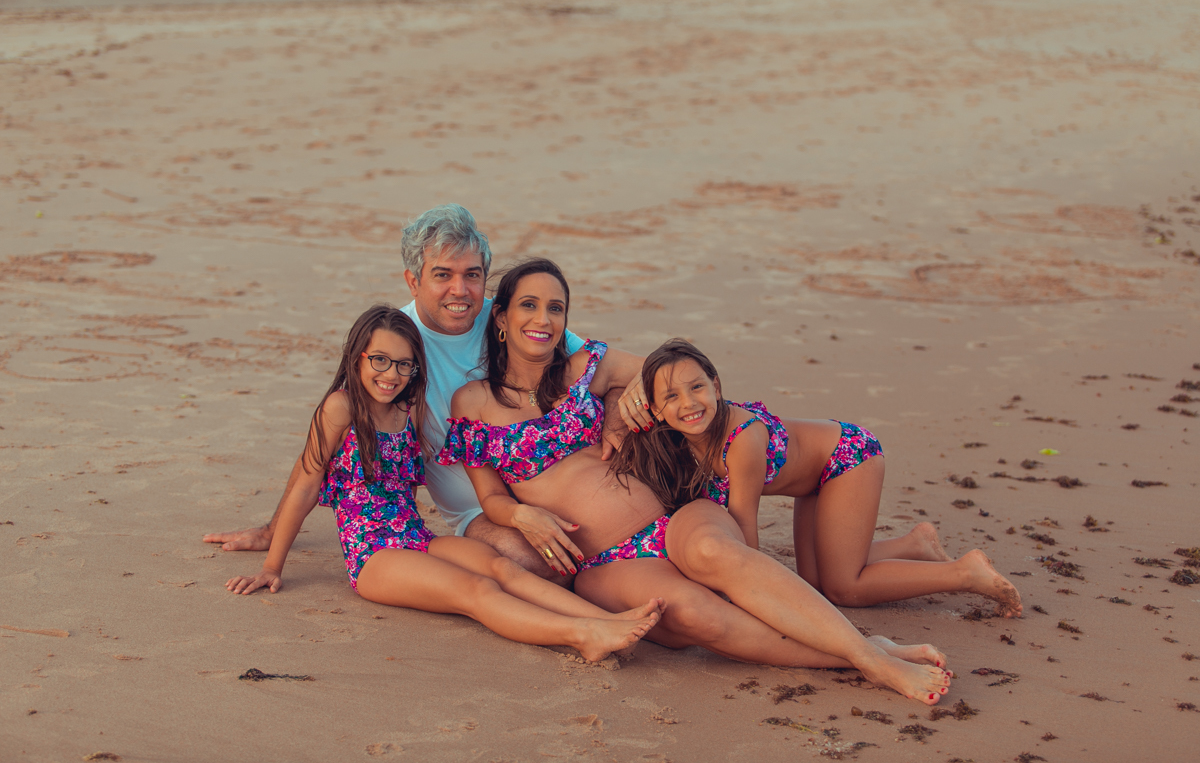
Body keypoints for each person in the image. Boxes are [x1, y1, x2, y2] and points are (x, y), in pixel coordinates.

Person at [439, 259, 954, 704]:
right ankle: (860, 656)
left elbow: (661, 372)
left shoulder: (585, 366)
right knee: (695, 617)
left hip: (672, 518)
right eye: (529, 306)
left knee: (716, 553)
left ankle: (865, 652)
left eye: (556, 308)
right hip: (607, 559)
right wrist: (521, 514)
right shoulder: (472, 404)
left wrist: (621, 406)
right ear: (502, 319)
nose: (544, 319)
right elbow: (490, 498)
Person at [204, 204, 635, 582]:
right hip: (479, 509)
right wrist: (273, 530)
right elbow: (321, 448)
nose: (460, 291)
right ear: (413, 281)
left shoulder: (514, 319)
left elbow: (605, 371)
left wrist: (616, 415)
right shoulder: (397, 344)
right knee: (533, 561)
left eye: (472, 275)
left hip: (553, 478)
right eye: (442, 275)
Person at [224, 304, 662, 662]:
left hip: (415, 535)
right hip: (374, 553)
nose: (390, 374)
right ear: (357, 355)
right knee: (476, 590)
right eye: (379, 360)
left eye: (403, 365)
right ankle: (582, 635)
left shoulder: (407, 408)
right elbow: (306, 482)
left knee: (499, 566)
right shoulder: (341, 408)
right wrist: (272, 566)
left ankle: (608, 621)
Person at [611, 338, 1022, 616]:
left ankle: (964, 573)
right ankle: (916, 545)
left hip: (846, 460)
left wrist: (744, 600)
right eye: (671, 397)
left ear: (716, 386)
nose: (689, 404)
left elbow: (744, 531)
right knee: (814, 580)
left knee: (844, 589)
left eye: (697, 387)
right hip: (811, 480)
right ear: (653, 408)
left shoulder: (741, 441)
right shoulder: (676, 437)